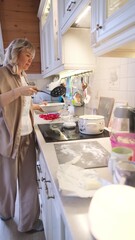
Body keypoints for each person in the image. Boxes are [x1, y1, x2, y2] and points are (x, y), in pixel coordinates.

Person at [0, 38, 45, 233]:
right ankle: (5, 212)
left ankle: (28, 223)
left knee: (29, 182)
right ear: (16, 52)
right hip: (10, 138)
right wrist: (19, 91)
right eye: (27, 55)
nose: (30, 61)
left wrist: (34, 106)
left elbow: (20, 105)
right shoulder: (2, 73)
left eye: (32, 57)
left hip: (27, 135)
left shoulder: (24, 76)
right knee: (8, 182)